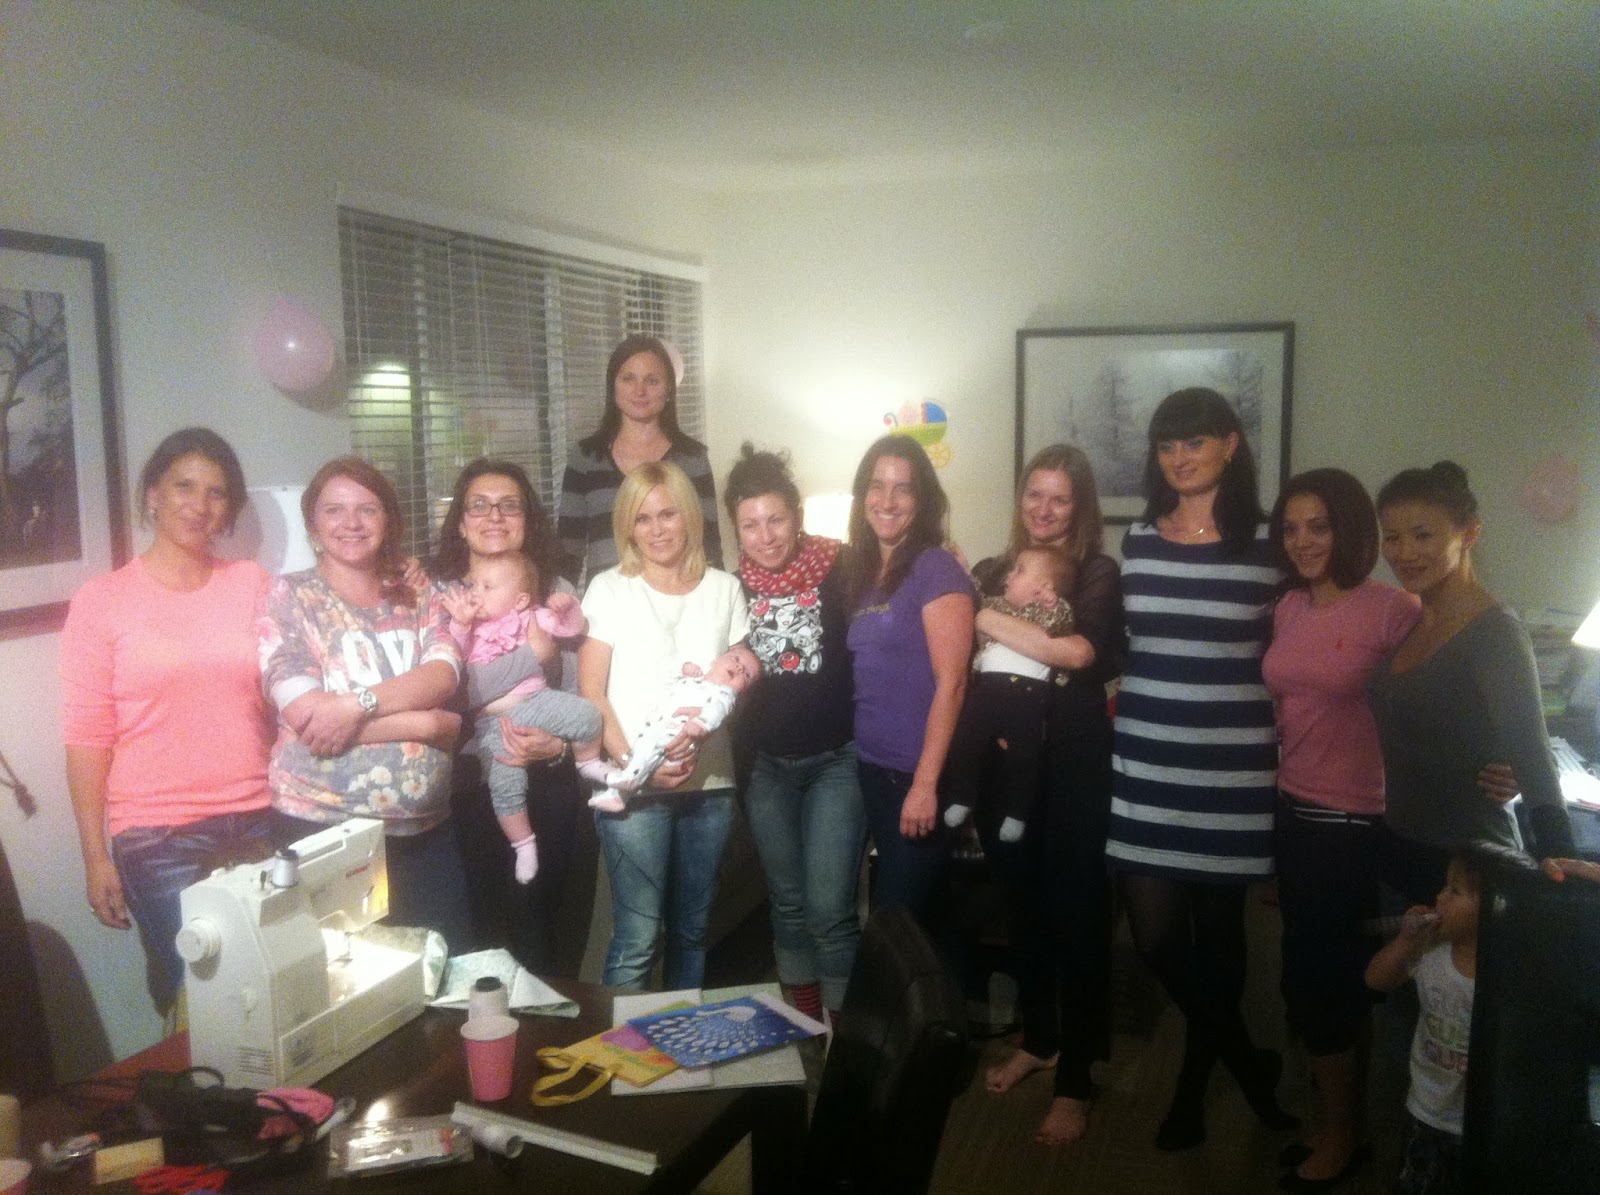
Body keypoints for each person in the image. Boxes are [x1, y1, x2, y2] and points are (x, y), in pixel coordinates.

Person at [1104, 388, 1295, 1150]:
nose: (1179, 458)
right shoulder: (1139, 539)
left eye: (1194, 442)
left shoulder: (1269, 546)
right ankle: (1247, 1061)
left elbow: (1295, 650)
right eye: (1166, 445)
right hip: (1146, 760)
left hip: (1232, 769)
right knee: (1155, 939)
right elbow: (1126, 642)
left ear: (1230, 444)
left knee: (1220, 939)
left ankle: (1190, 1089)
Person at [61, 428, 275, 1015]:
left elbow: (294, 685)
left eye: (216, 493)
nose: (199, 505)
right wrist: (95, 856)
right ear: (153, 494)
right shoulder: (102, 600)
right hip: (158, 836)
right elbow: (88, 737)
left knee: (273, 985)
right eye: (184, 486)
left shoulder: (252, 584)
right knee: (203, 999)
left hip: (262, 815)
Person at [1262, 468, 1421, 1188]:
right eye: (1291, 527)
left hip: (1353, 826)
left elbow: (1439, 701)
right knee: (1309, 977)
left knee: (1324, 985)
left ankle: (1342, 1136)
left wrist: (1498, 767)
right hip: (1292, 814)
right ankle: (1336, 1121)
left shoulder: (1392, 610)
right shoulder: (1289, 607)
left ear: (1349, 529)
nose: (1302, 541)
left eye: (1318, 526)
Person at [971, 444, 1124, 1147]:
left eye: (1059, 497)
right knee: (1024, 911)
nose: (1044, 508)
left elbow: (1079, 652)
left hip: (1072, 768)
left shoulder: (1096, 573)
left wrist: (987, 618)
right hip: (1002, 771)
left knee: (1079, 918)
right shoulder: (991, 569)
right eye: (1035, 494)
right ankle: (1040, 1039)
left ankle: (1078, 1079)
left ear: (1080, 505)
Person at [259, 457, 469, 945]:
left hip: (425, 832)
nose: (351, 523)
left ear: (388, 520)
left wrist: (354, 706)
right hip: (321, 828)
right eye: (334, 510)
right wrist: (423, 725)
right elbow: (307, 718)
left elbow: (441, 676)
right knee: (342, 979)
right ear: (313, 525)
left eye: (367, 509)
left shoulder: (418, 595)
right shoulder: (290, 596)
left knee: (442, 968)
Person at [1367, 461, 1574, 904]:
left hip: (1468, 872)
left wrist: (1562, 871)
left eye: (1423, 535)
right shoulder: (1414, 621)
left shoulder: (1495, 632)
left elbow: (1534, 759)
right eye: (1393, 537)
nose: (1404, 552)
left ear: (1470, 534)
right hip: (1398, 852)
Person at [579, 461, 749, 989]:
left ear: (689, 516)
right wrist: (639, 766)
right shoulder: (609, 589)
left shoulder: (725, 589)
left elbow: (736, 683)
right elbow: (591, 692)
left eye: (667, 514)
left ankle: (680, 1040)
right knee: (637, 938)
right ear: (628, 527)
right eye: (642, 518)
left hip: (710, 785)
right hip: (634, 787)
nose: (656, 529)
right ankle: (619, 1045)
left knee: (692, 933)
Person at [725, 444, 866, 1024]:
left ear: (797, 515)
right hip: (766, 768)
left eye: (776, 519)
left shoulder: (844, 566)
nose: (766, 536)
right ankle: (804, 1023)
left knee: (829, 908)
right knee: (786, 902)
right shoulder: (730, 588)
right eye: (750, 524)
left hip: (837, 761)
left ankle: (842, 1037)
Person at [432, 459, 588, 974]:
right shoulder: (441, 596)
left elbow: (579, 687)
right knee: (479, 939)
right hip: (470, 785)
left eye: (509, 505)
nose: (494, 516)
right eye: (479, 505)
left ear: (528, 519)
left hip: (549, 777)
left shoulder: (555, 589)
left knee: (543, 934)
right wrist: (533, 657)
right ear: (460, 522)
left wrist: (559, 746)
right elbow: (451, 694)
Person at [845, 434, 973, 925]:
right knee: (928, 924)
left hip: (916, 776)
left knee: (893, 925)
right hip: (873, 771)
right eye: (877, 486)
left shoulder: (934, 566)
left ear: (922, 501)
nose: (887, 500)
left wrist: (925, 784)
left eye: (903, 488)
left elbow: (953, 683)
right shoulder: (865, 573)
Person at [1363, 845, 1528, 1195]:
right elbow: (1375, 980)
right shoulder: (1429, 951)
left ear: (1496, 909)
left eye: (1454, 891)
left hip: (1485, 1121)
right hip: (1426, 1110)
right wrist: (1405, 941)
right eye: (1443, 886)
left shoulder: (1511, 974)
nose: (1439, 897)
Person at [440, 552, 605, 884]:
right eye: (473, 585)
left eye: (487, 587)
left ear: (519, 600)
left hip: (538, 701)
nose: (476, 593)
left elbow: (568, 628)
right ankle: (523, 844)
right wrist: (460, 623)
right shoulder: (468, 625)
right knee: (505, 779)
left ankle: (588, 763)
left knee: (588, 714)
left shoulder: (530, 616)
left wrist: (567, 609)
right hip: (493, 722)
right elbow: (451, 663)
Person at [558, 334, 721, 585]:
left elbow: (708, 546)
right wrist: (559, 602)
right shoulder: (586, 458)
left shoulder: (692, 459)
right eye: (628, 379)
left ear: (669, 389)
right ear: (613, 386)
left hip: (679, 599)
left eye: (652, 381)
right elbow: (568, 552)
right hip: (608, 602)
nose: (640, 391)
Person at [942, 545, 1076, 843]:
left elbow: (1063, 627)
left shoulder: (1053, 612)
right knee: (964, 741)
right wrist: (962, 571)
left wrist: (1053, 605)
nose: (1009, 576)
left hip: (1027, 697)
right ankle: (962, 796)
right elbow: (976, 600)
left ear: (1044, 586)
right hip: (987, 689)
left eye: (1020, 571)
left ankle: (1017, 813)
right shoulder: (998, 606)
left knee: (1024, 757)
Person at [589, 643, 760, 812]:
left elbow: (717, 711)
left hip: (677, 739)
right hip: (659, 728)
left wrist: (701, 724)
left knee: (649, 747)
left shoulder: (723, 694)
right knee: (642, 747)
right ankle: (617, 795)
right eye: (736, 659)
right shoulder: (693, 680)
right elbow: (664, 677)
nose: (739, 667)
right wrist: (682, 669)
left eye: (747, 674)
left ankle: (629, 780)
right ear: (715, 660)